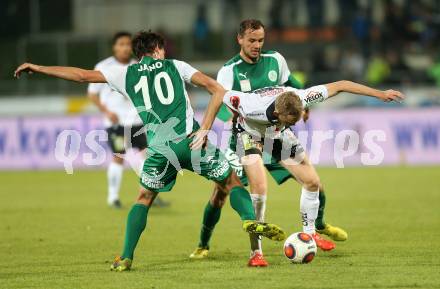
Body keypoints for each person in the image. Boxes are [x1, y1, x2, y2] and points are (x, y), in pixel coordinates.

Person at [14, 31, 287, 271]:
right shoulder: (175, 65)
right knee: (230, 182)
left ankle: (125, 257)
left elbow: (81, 75)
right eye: (163, 49)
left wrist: (38, 67)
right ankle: (249, 219)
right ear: (157, 49)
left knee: (144, 198)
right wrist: (204, 128)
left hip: (159, 149)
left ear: (138, 53)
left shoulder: (125, 73)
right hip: (191, 141)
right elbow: (216, 89)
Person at [190, 19, 346, 267]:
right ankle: (203, 244)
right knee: (220, 194)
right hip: (244, 137)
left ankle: (316, 228)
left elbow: (291, 84)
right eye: (251, 40)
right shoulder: (229, 71)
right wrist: (227, 120)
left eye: (260, 40)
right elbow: (218, 100)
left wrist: (298, 106)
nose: (257, 45)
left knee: (314, 182)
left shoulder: (275, 60)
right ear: (239, 39)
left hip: (275, 133)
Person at [88, 31, 170, 209]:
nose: (125, 48)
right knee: (119, 157)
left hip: (137, 122)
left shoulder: (137, 66)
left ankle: (148, 193)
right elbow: (92, 94)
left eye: (127, 44)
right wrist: (106, 111)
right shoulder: (104, 66)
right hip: (116, 123)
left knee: (147, 158)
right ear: (114, 47)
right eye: (121, 44)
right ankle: (113, 197)